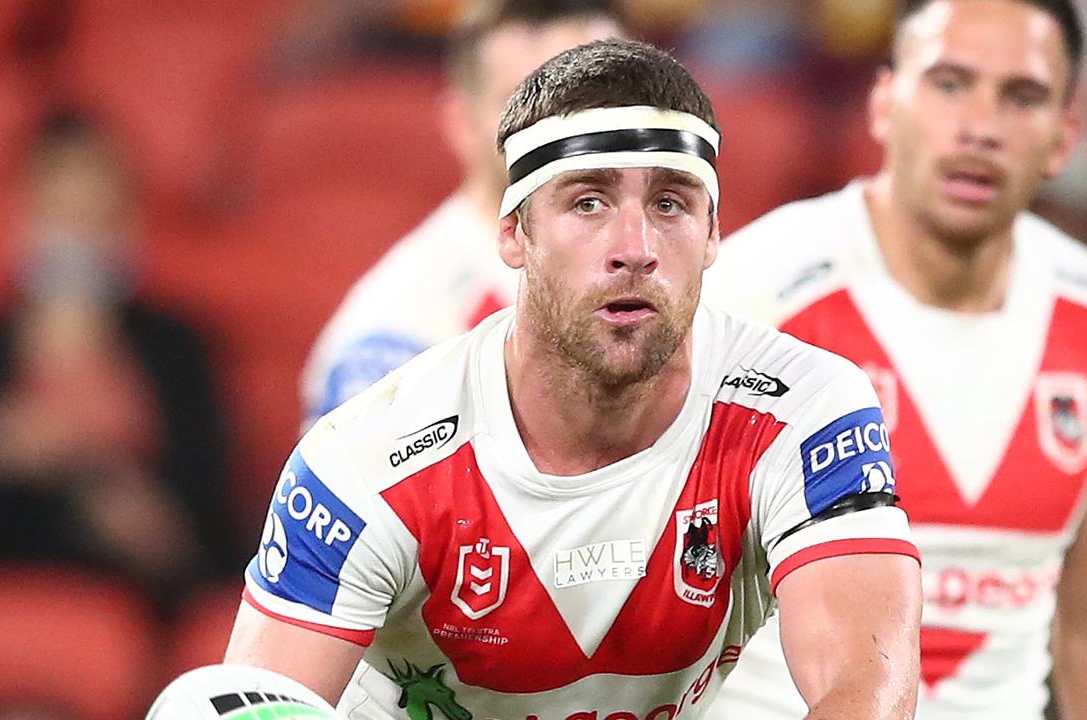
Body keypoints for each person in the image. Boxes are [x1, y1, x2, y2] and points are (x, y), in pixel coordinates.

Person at [225, 38, 922, 720]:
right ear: (513, 234)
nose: (635, 250)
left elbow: (868, 685)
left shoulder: (802, 414)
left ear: (713, 235)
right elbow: (256, 708)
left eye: (670, 204)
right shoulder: (367, 460)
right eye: (588, 202)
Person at [703, 1, 1087, 719]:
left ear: (1062, 139)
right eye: (949, 83)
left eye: (1022, 97)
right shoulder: (752, 293)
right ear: (886, 105)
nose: (980, 127)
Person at [300, 0, 626, 426]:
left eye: (605, 96)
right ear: (462, 123)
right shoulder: (408, 332)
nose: (573, 126)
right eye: (530, 100)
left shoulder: (702, 271)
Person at [0, 112, 235, 611]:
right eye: (63, 215)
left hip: (143, 588)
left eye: (95, 216)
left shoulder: (178, 346)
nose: (78, 240)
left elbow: (202, 505)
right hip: (14, 574)